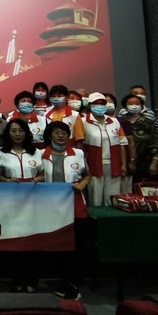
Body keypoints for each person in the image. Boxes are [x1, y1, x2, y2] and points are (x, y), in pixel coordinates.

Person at [41, 121, 91, 300]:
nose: (61, 136)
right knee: (59, 244)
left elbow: (87, 175)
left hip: (75, 204)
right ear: (49, 135)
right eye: (57, 132)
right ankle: (64, 280)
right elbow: (38, 175)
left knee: (76, 245)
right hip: (51, 207)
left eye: (64, 133)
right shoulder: (41, 154)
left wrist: (82, 184)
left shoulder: (78, 153)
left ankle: (73, 282)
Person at [0, 120, 44, 292]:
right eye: (13, 131)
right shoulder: (0, 152)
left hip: (33, 203)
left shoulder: (37, 152)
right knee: (15, 241)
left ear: (26, 133)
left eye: (20, 131)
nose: (17, 134)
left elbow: (44, 174)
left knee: (33, 242)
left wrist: (38, 178)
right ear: (8, 133)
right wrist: (7, 180)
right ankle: (17, 280)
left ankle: (32, 281)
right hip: (11, 203)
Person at [73, 92, 127, 206]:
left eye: (102, 103)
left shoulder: (114, 121)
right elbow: (79, 144)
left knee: (113, 197)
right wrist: (82, 166)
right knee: (95, 197)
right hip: (93, 163)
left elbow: (122, 143)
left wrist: (123, 164)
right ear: (89, 105)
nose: (99, 106)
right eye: (96, 103)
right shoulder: (82, 121)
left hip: (114, 163)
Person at [120, 93, 157, 185]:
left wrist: (155, 162)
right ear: (125, 106)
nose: (134, 106)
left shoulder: (149, 122)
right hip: (124, 163)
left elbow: (155, 143)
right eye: (130, 103)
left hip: (145, 163)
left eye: (137, 103)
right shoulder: (120, 122)